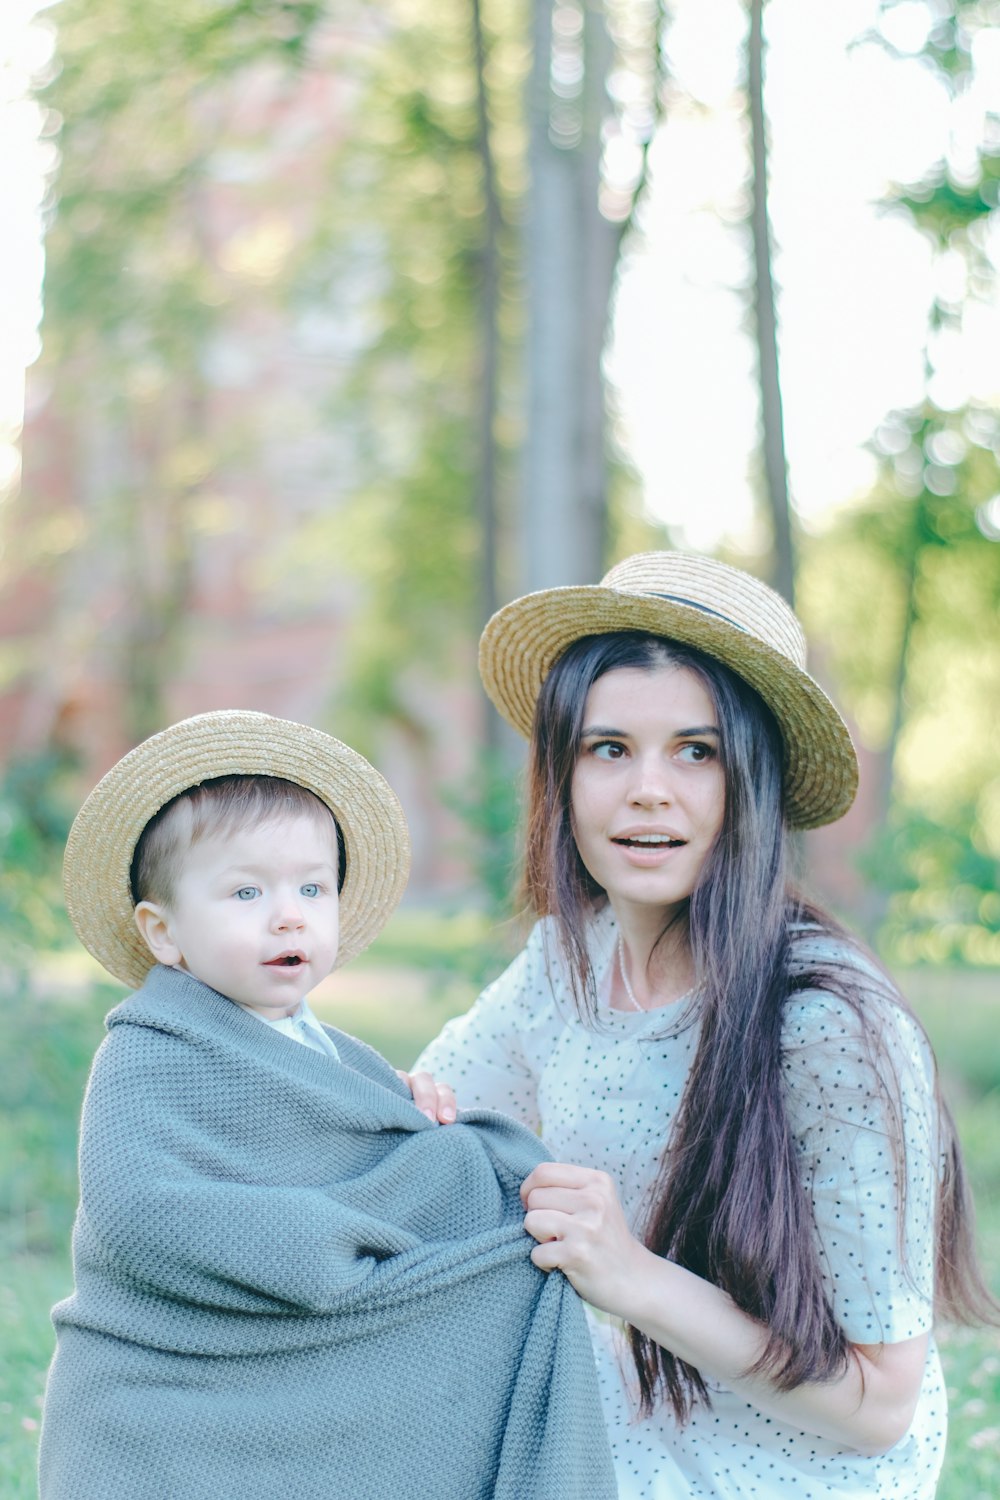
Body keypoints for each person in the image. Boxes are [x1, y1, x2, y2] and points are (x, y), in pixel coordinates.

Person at [412, 551, 995, 1499]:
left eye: (697, 750)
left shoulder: (830, 1027)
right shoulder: (568, 961)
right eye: (609, 749)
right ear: (561, 776)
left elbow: (880, 1402)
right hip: (629, 1412)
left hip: (791, 1472)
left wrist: (633, 1277)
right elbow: (429, 1122)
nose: (649, 790)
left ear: (751, 783)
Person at [40, 709, 616, 1500]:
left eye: (311, 887)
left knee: (519, 1269)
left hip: (303, 1359)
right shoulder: (150, 1052)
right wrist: (321, 1241)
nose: (289, 913)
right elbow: (140, 1210)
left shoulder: (342, 1058)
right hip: (170, 1388)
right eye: (246, 891)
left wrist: (426, 1141)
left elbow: (371, 1162)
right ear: (163, 933)